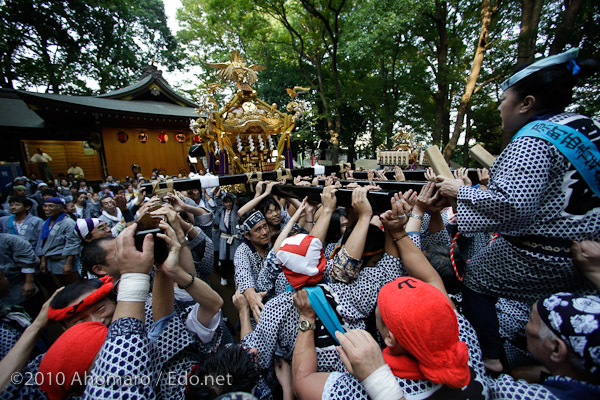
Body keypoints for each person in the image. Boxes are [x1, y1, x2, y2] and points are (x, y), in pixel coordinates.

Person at [435, 47, 600, 371]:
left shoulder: (533, 139)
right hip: (588, 251)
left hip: (542, 253)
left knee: (478, 276)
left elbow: (514, 205)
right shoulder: (587, 128)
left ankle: (491, 357)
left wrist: (461, 192)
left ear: (527, 103)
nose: (499, 105)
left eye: (505, 98)